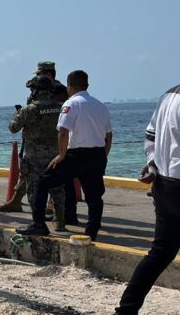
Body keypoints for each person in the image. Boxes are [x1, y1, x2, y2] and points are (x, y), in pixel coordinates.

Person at [104, 60, 180, 315]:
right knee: (160, 253)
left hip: (166, 186)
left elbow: (150, 136)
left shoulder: (171, 93)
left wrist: (152, 164)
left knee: (159, 254)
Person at [19, 70, 111, 240]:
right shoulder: (100, 105)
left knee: (43, 181)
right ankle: (92, 232)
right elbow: (109, 135)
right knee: (94, 196)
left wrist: (61, 155)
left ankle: (39, 224)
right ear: (87, 85)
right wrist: (103, 155)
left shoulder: (71, 104)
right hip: (97, 154)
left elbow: (63, 132)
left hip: (76, 154)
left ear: (69, 86)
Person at [0, 77, 67, 229]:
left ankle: (38, 222)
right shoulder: (62, 107)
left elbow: (13, 128)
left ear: (35, 91)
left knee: (34, 189)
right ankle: (60, 220)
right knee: (57, 188)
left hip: (34, 156)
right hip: (56, 154)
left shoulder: (29, 110)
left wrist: (18, 114)